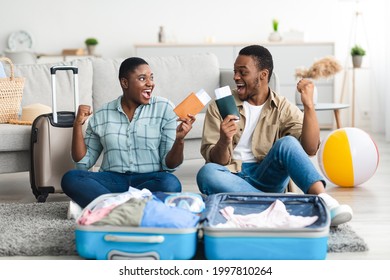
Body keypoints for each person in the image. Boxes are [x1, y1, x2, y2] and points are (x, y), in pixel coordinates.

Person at [196, 45, 353, 227]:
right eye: (235, 72)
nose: (236, 77)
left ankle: (325, 200)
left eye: (242, 72)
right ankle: (280, 204)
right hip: (231, 177)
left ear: (263, 75)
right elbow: (217, 162)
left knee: (287, 143)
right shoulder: (220, 106)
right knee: (207, 173)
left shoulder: (282, 107)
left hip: (267, 176)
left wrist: (309, 106)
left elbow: (310, 148)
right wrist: (224, 139)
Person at [61, 57, 195, 209]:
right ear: (125, 83)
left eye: (151, 78)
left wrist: (180, 140)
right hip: (112, 180)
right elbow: (83, 163)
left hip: (149, 180)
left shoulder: (164, 108)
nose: (150, 83)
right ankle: (134, 207)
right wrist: (77, 125)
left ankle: (108, 207)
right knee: (71, 178)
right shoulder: (103, 114)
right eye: (142, 78)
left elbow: (169, 165)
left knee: (170, 183)